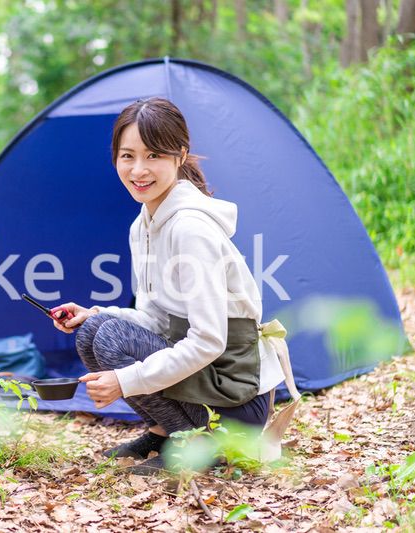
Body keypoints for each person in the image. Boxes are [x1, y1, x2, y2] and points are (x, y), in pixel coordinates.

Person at [50, 97, 285, 475]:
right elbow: (156, 318)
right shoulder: (143, 224)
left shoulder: (190, 228)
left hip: (236, 399)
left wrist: (125, 380)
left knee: (111, 341)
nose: (138, 170)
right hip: (208, 386)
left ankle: (207, 447)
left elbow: (209, 340)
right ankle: (165, 433)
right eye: (127, 156)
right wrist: (95, 312)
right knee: (93, 330)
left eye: (154, 155)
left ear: (179, 155)